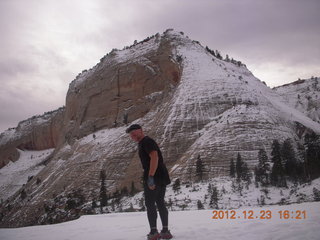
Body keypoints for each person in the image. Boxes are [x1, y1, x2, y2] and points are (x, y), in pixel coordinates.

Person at [126, 124, 173, 240]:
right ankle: (165, 231)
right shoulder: (146, 142)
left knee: (150, 204)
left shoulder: (146, 141)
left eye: (134, 133)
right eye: (131, 135)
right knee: (160, 202)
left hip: (155, 176)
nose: (133, 136)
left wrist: (150, 176)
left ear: (141, 131)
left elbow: (154, 157)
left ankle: (154, 232)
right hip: (162, 175)